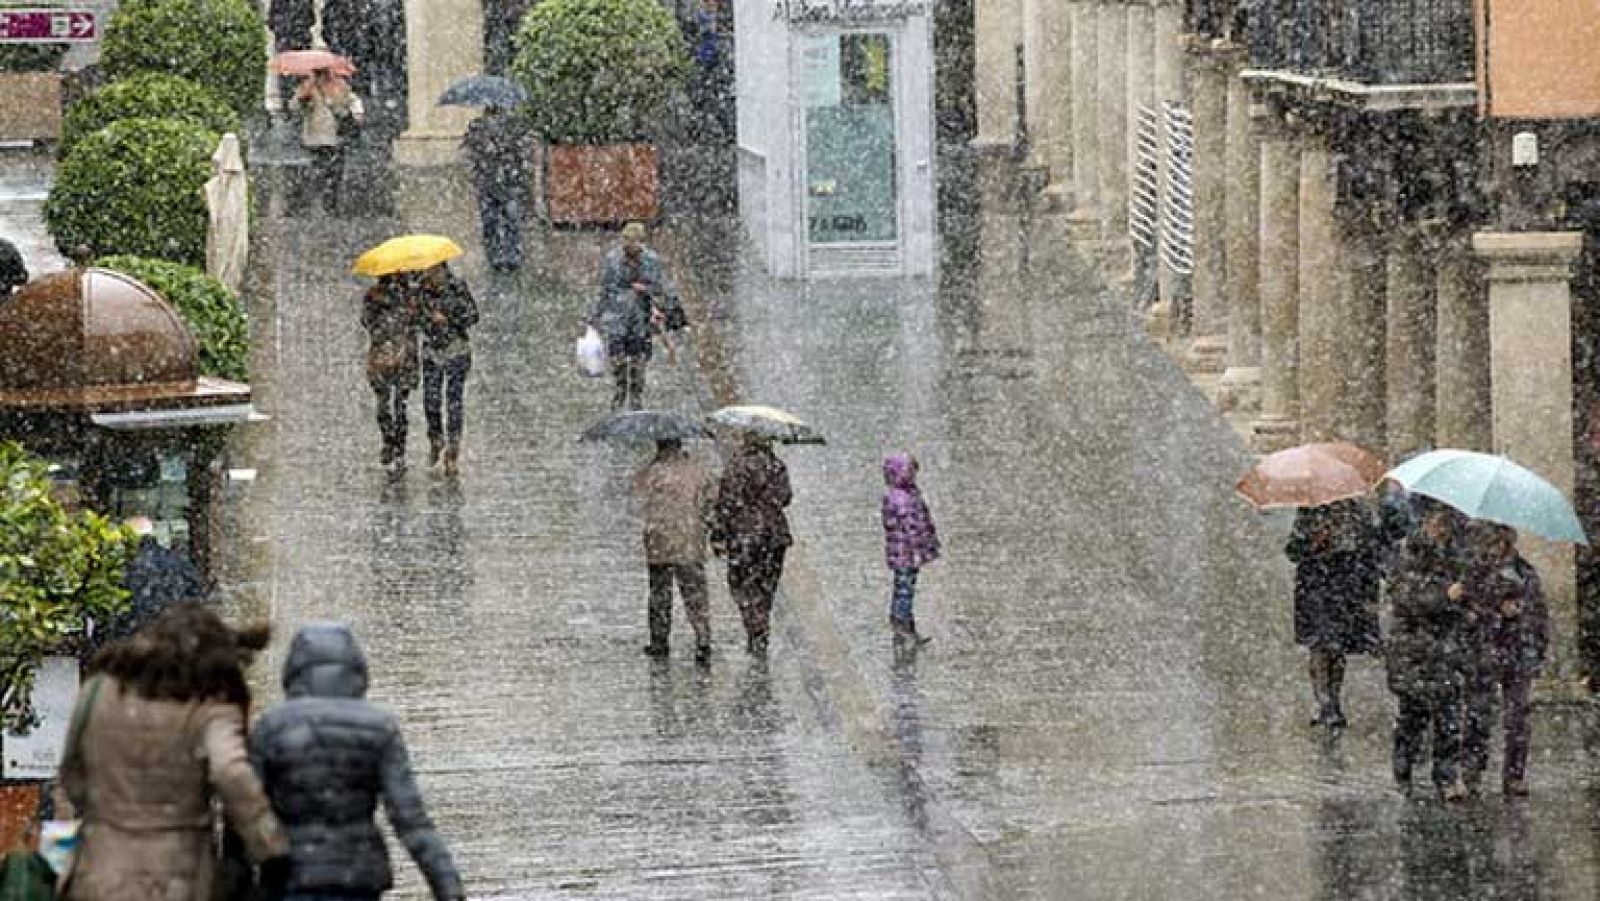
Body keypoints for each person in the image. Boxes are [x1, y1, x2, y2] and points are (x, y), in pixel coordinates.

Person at [54, 604, 288, 901]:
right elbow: (231, 772)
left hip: (99, 871)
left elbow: (72, 773)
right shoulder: (210, 703)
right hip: (177, 876)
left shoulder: (98, 692)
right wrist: (270, 847)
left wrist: (105, 810)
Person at [248, 622, 465, 901]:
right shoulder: (378, 727)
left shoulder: (271, 727)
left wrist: (236, 878)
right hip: (357, 876)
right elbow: (409, 818)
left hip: (290, 877)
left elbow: (247, 809)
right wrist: (447, 885)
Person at [1386, 502, 1470, 801]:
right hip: (1414, 651)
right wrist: (1443, 596)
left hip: (1446, 650)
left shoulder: (1457, 556)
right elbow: (1407, 597)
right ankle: (1403, 772)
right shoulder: (1407, 552)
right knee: (1413, 716)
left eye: (1447, 524)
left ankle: (1446, 776)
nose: (1442, 530)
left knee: (1448, 716)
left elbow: (1467, 600)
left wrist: (1463, 604)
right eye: (1438, 523)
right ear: (1426, 523)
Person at [1460, 522, 1549, 796]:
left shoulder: (1525, 572)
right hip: (1484, 651)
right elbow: (1467, 614)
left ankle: (1514, 774)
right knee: (1478, 714)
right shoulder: (1474, 572)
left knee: (1518, 717)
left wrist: (1538, 647)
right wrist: (1497, 611)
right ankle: (1472, 769)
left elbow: (1538, 613)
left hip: (1518, 653)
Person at [1284, 499, 1382, 728]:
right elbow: (1292, 551)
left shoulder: (1358, 512)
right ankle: (1324, 703)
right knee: (1320, 645)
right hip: (1315, 588)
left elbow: (1369, 554)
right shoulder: (1309, 510)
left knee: (1338, 648)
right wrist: (1313, 542)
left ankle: (1334, 700)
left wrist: (1369, 595)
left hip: (1345, 588)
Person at [634, 437, 716, 664]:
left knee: (660, 593)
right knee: (695, 593)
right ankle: (703, 639)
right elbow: (712, 499)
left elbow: (639, 491)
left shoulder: (652, 471)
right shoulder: (698, 470)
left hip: (658, 541)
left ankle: (659, 641)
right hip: (689, 539)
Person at [711, 433, 793, 656]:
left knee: (741, 583)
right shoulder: (777, 465)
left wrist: (718, 535)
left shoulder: (736, 465)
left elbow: (726, 502)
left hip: (744, 535)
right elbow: (786, 497)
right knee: (767, 584)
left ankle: (755, 628)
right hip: (774, 535)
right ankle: (761, 624)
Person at [588, 222, 685, 411]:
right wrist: (596, 317)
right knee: (618, 358)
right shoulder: (612, 260)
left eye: (634, 241)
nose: (630, 245)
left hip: (640, 317)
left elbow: (659, 289)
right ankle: (620, 390)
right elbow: (605, 290)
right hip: (617, 317)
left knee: (638, 359)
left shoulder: (651, 261)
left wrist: (646, 290)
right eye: (626, 240)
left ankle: (635, 395)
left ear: (641, 242)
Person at [417, 263, 479, 476]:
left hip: (456, 351)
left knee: (454, 401)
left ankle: (452, 451)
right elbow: (416, 321)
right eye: (428, 271)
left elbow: (472, 316)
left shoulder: (457, 287)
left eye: (434, 270)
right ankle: (435, 437)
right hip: (432, 353)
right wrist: (427, 319)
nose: (431, 275)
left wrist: (449, 319)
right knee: (431, 401)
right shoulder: (421, 291)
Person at [105, 516, 204, 644]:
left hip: (133, 642)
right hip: (172, 640)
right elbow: (196, 596)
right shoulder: (178, 561)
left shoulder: (122, 566)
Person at [362, 272, 422, 473]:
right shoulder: (374, 296)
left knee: (400, 406)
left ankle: (400, 450)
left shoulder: (411, 296)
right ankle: (389, 441)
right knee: (384, 405)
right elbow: (367, 322)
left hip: (405, 357)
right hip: (382, 356)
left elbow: (418, 323)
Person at [463, 106, 534, 271]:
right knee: (501, 221)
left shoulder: (513, 127)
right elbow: (469, 154)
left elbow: (525, 152)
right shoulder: (479, 127)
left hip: (501, 182)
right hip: (498, 182)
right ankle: (505, 256)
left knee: (499, 221)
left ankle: (504, 256)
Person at [881, 452, 940, 646]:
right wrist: (920, 548)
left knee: (904, 587)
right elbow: (912, 527)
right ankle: (902, 622)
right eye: (910, 471)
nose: (914, 475)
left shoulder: (908, 494)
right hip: (905, 553)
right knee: (905, 588)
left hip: (904, 552)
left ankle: (901, 621)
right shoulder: (902, 498)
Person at [292, 67, 364, 214]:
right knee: (321, 169)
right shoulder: (308, 87)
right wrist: (306, 91)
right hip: (316, 137)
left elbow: (353, 102)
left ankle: (330, 200)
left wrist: (355, 114)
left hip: (336, 136)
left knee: (335, 170)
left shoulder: (340, 85)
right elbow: (295, 106)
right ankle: (323, 198)